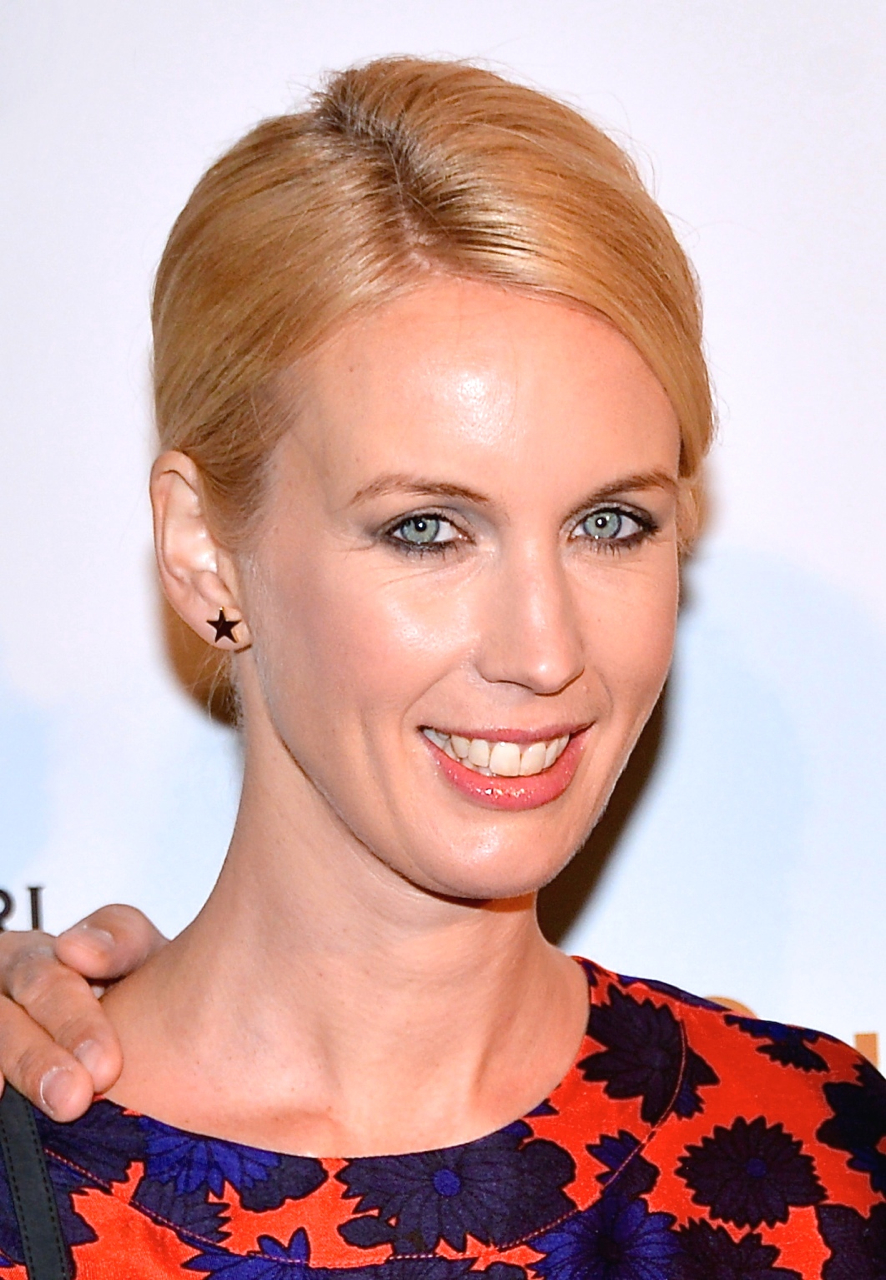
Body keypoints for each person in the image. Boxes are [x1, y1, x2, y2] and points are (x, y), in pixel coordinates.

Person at [0, 55, 884, 1279]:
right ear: (204, 550)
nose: (544, 651)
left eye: (610, 523)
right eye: (426, 528)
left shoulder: (834, 1164)